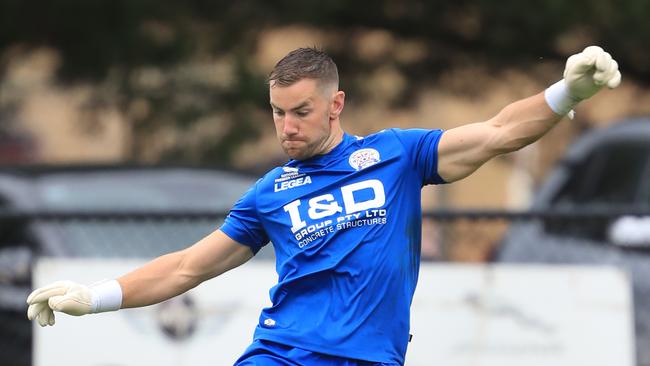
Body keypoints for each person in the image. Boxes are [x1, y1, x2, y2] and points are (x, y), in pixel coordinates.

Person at [26, 45, 621, 365]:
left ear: (336, 104)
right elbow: (188, 266)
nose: (286, 126)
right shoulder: (270, 193)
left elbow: (498, 132)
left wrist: (571, 89)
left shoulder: (398, 157)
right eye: (278, 113)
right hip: (281, 354)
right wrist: (95, 296)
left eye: (301, 112)